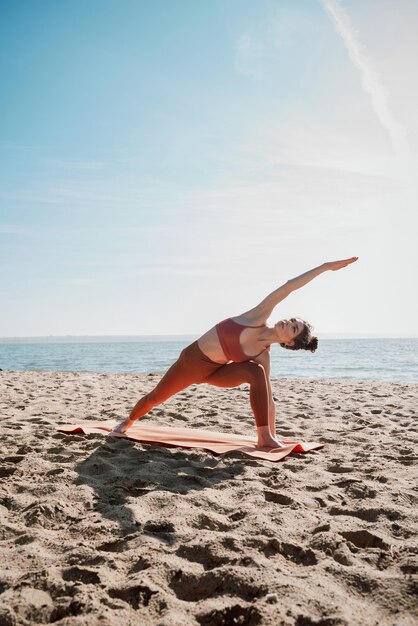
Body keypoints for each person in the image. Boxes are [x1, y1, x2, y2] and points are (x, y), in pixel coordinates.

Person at [112, 257, 358, 448]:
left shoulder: (263, 354)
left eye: (293, 328)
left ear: (290, 343)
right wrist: (325, 267)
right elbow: (288, 287)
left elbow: (268, 397)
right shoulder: (258, 315)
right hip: (191, 363)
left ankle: (264, 437)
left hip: (216, 373)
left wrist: (273, 434)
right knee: (155, 397)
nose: (287, 322)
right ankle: (128, 422)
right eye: (292, 319)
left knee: (257, 373)